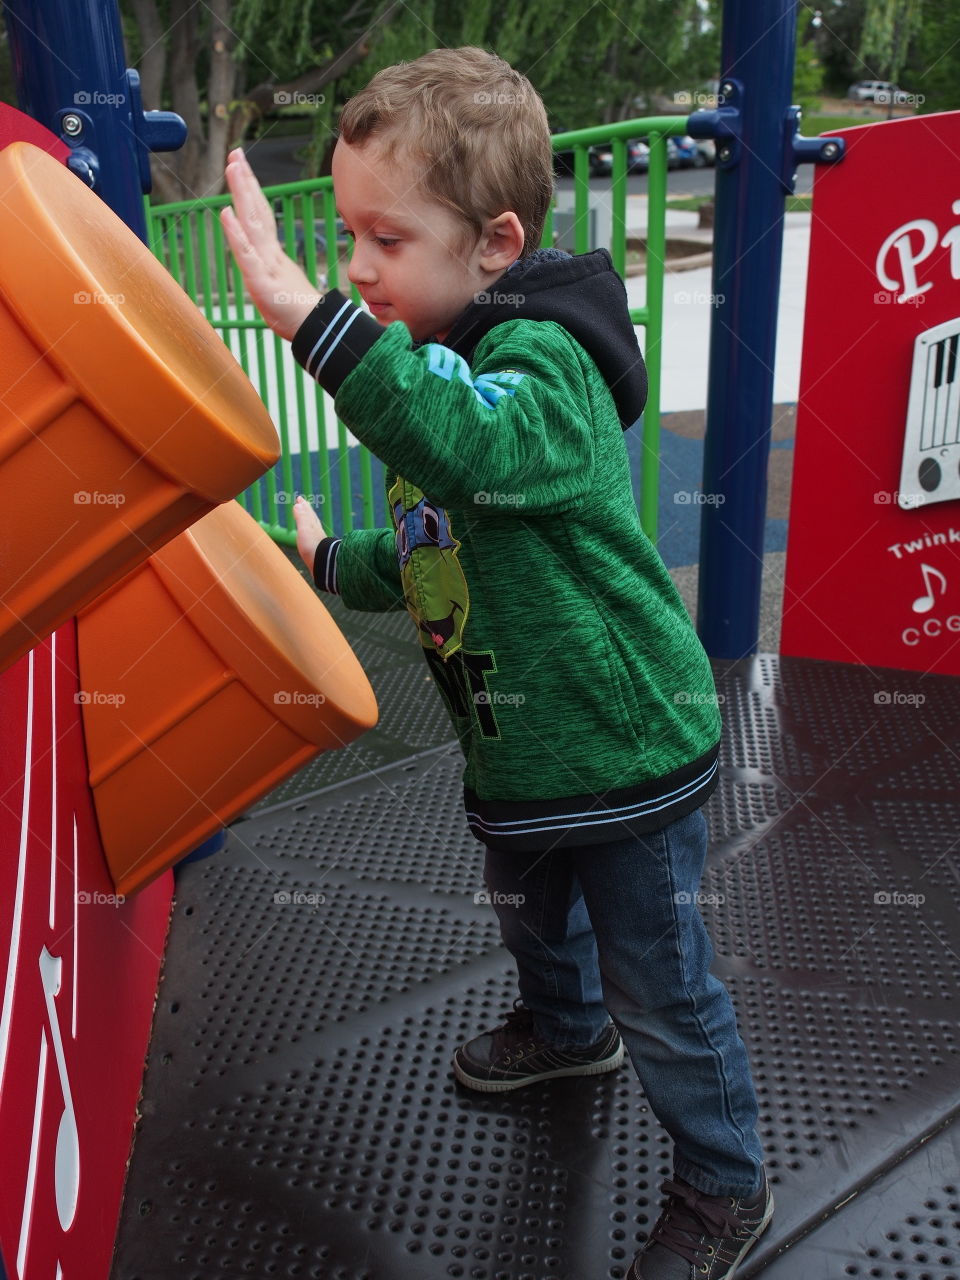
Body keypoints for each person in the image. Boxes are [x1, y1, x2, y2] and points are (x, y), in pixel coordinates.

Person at [221, 45, 772, 1280]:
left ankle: (726, 1183)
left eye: (386, 238)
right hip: (519, 749)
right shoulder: (443, 362)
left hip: (625, 746)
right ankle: (566, 1031)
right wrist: (328, 559)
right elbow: (436, 541)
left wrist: (315, 322)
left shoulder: (544, 373)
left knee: (664, 983)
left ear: (496, 242)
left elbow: (468, 447)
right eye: (347, 238)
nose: (359, 267)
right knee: (532, 917)